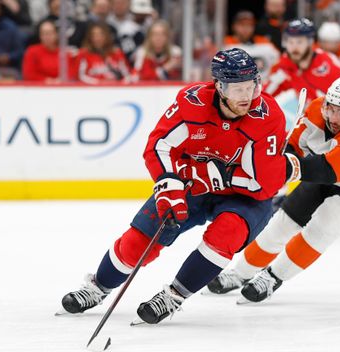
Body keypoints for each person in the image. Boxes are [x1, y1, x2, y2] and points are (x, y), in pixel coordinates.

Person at [60, 48, 289, 324]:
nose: (246, 96)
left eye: (251, 86)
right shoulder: (192, 103)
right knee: (140, 239)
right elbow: (159, 146)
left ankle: (174, 295)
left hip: (243, 197)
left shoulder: (268, 116)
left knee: (227, 233)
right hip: (192, 185)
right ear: (218, 86)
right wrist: (169, 187)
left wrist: (214, 176)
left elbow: (264, 184)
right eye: (237, 88)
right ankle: (98, 286)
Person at [207, 76, 340, 303]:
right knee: (284, 221)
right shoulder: (317, 110)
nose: (333, 118)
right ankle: (240, 273)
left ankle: (273, 277)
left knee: (331, 215)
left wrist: (281, 169)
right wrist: (273, 168)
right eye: (331, 109)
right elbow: (294, 149)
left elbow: (329, 169)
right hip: (336, 178)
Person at [263, 18, 340, 104]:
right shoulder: (283, 65)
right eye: (290, 42)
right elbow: (264, 96)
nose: (294, 47)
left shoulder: (328, 63)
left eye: (299, 42)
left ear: (310, 42)